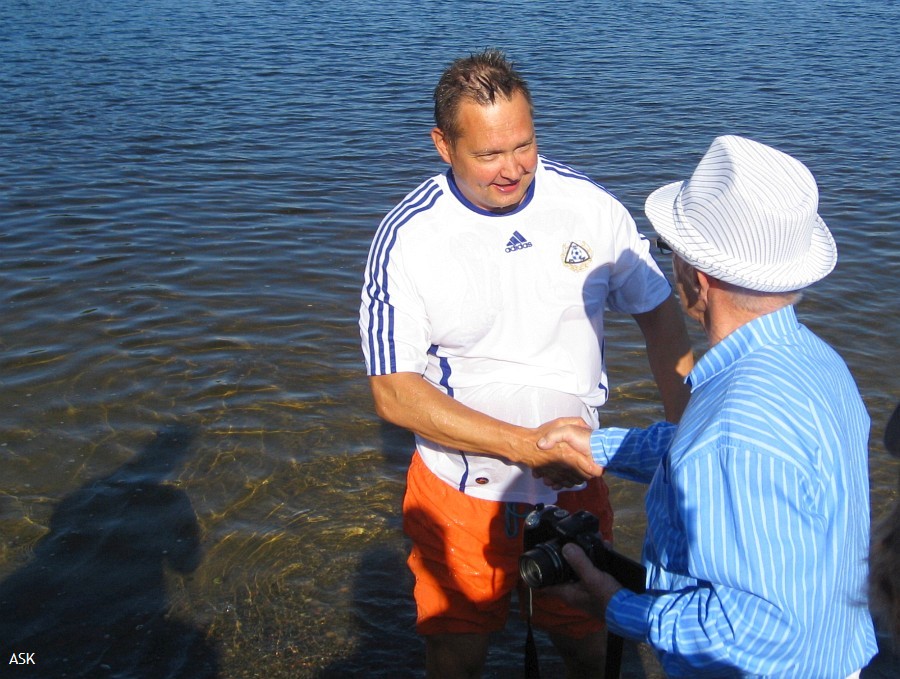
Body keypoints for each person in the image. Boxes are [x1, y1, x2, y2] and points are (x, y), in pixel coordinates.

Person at [359, 49, 693, 677]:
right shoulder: (409, 238)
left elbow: (658, 312)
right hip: (459, 491)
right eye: (489, 154)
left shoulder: (589, 207)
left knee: (588, 645)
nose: (512, 169)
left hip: (575, 480)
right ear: (443, 145)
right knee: (456, 653)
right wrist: (522, 447)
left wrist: (689, 436)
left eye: (525, 145)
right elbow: (394, 393)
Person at [538, 135, 878, 678]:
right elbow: (716, 454)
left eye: (669, 249)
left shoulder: (732, 426)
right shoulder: (817, 362)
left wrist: (616, 605)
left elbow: (752, 630)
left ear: (697, 278)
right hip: (837, 655)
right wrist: (603, 447)